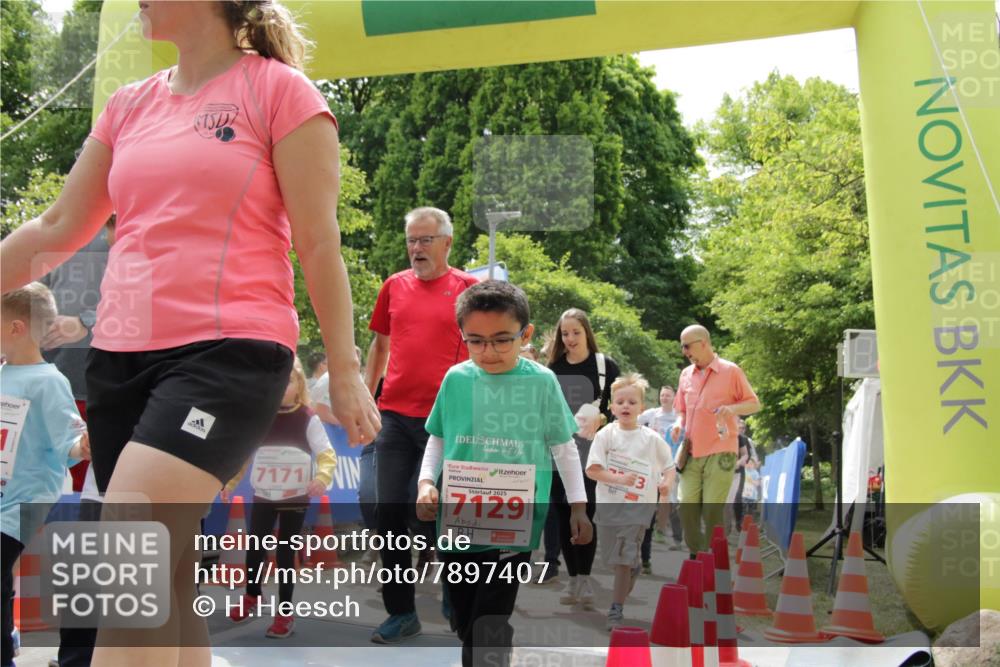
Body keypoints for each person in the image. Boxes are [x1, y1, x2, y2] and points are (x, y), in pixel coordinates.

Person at [0, 3, 379, 664]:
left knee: (125, 553)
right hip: (122, 360)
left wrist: (344, 370)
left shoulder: (279, 91)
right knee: (162, 579)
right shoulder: (127, 105)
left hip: (228, 352)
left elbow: (320, 244)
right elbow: (60, 225)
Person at [416, 280, 592, 667]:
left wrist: (578, 506)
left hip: (516, 521)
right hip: (459, 519)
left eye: (501, 340)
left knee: (491, 617)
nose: (488, 351)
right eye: (475, 341)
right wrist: (426, 482)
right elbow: (439, 438)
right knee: (464, 617)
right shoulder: (456, 379)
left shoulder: (542, 382)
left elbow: (563, 447)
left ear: (525, 334)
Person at [364, 206, 478, 643]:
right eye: (411, 240)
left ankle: (454, 589)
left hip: (447, 422)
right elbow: (379, 345)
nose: (416, 248)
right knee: (387, 512)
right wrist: (363, 396)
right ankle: (401, 612)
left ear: (447, 243)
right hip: (393, 415)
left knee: (432, 513)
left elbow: (488, 348)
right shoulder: (394, 286)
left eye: (426, 240)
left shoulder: (470, 288)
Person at [1, 284, 90, 667]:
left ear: (16, 328)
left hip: (26, 500)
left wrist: (82, 447)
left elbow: (68, 439)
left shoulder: (49, 381)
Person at [223, 356, 336, 639]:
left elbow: (326, 453)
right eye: (278, 381)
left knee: (286, 555)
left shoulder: (307, 418)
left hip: (296, 496)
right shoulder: (262, 417)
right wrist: (232, 481)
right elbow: (245, 454)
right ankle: (252, 595)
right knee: (255, 548)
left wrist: (322, 478)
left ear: (299, 385)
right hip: (264, 494)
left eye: (288, 380)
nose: (282, 386)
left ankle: (285, 612)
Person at [586, 373, 674, 630]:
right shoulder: (605, 436)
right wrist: (618, 479)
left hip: (637, 510)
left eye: (632, 402)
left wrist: (666, 483)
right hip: (608, 509)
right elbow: (592, 470)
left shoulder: (651, 439)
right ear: (612, 407)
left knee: (623, 559)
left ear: (642, 408)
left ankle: (616, 609)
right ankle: (631, 570)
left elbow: (669, 467)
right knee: (613, 561)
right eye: (620, 401)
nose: (626, 406)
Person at [547, 308, 620, 609]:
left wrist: (602, 418)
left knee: (585, 512)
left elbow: (623, 407)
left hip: (592, 453)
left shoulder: (606, 366)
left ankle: (586, 579)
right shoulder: (553, 369)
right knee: (563, 515)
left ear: (586, 332)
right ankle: (574, 578)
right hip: (556, 452)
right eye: (565, 333)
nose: (570, 338)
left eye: (576, 332)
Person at [671, 325, 760, 556]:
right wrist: (679, 424)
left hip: (722, 449)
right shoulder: (685, 375)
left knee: (712, 509)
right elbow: (680, 409)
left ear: (703, 343)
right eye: (682, 347)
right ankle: (698, 551)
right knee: (686, 505)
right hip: (690, 450)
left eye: (687, 346)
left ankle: (707, 557)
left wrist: (731, 409)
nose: (684, 352)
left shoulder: (731, 371)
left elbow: (754, 403)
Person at [520, 343, 561, 584]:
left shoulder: (546, 387)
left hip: (544, 460)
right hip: (515, 463)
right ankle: (523, 560)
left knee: (549, 511)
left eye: (530, 361)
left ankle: (551, 561)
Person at [638, 384, 684, 563]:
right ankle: (654, 530)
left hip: (672, 464)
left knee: (670, 501)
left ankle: (675, 537)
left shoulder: (679, 416)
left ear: (674, 398)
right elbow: (634, 422)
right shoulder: (652, 414)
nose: (664, 398)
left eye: (668, 395)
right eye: (662, 395)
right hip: (652, 464)